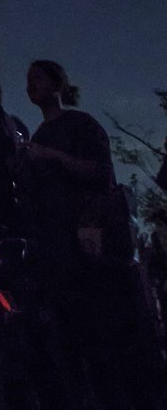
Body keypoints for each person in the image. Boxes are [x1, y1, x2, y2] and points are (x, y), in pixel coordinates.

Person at [24, 60, 165, 409]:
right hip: (58, 251)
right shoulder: (36, 137)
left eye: (38, 78)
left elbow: (101, 173)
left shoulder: (80, 124)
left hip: (94, 242)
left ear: (57, 84)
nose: (31, 86)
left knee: (111, 333)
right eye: (27, 81)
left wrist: (53, 157)